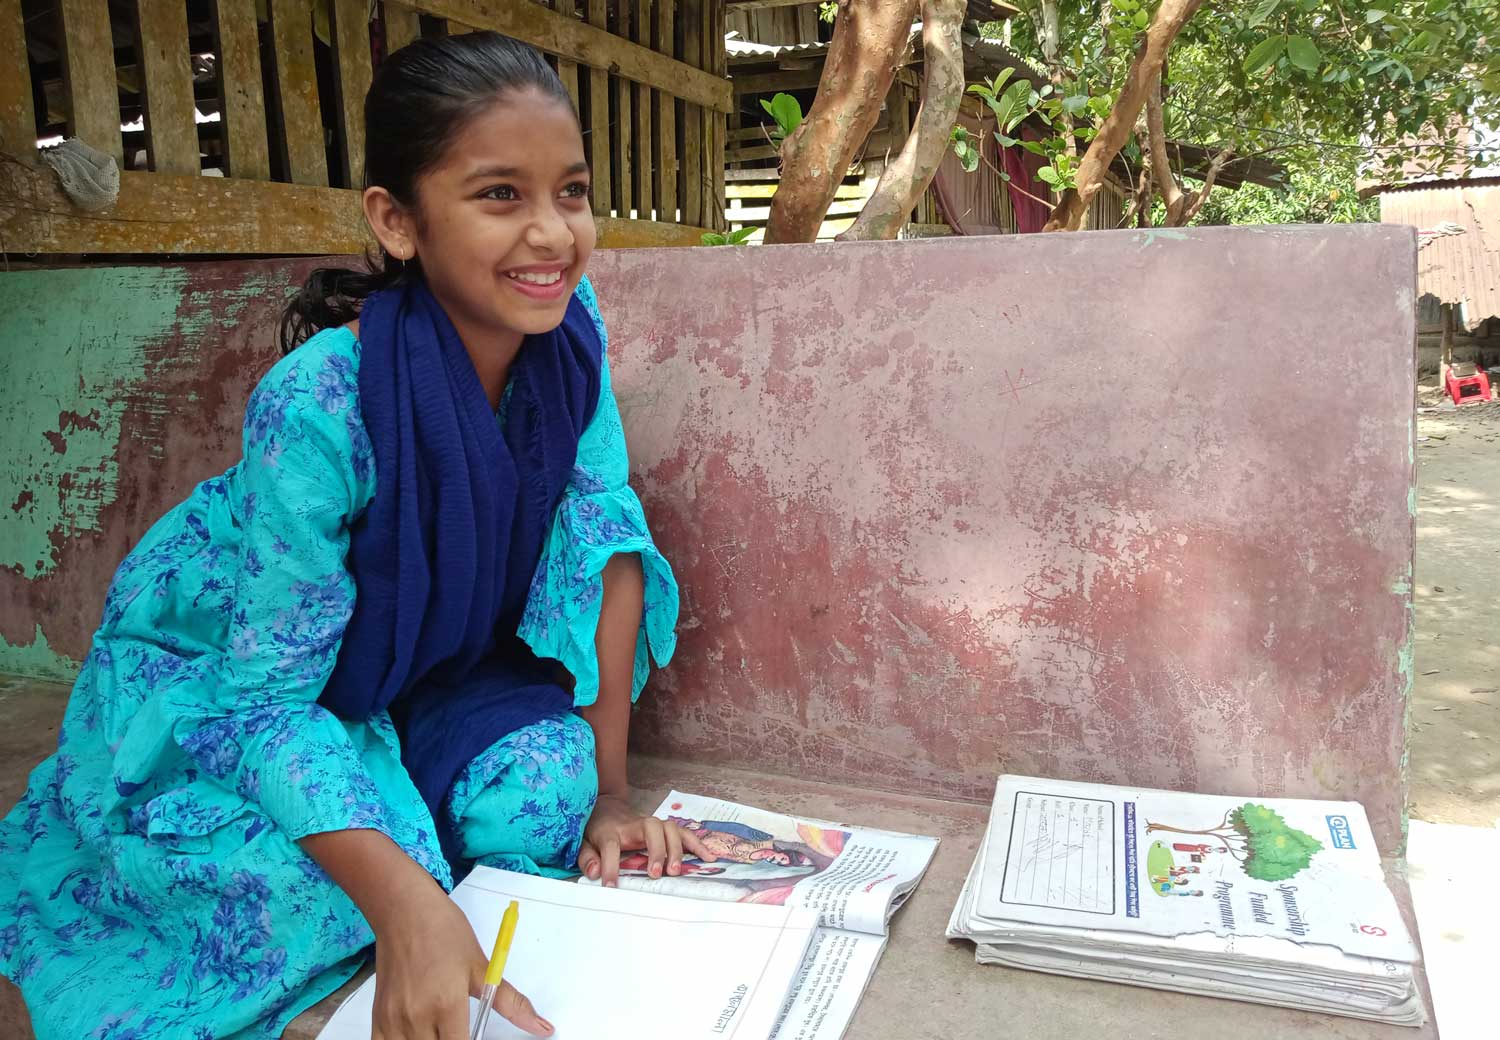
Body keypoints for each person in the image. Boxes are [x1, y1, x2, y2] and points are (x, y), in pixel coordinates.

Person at [0, 32, 711, 1040]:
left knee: (546, 805)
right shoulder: (317, 402)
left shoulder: (570, 333)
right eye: (501, 195)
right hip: (228, 673)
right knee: (321, 896)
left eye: (572, 191)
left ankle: (405, 807)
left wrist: (612, 795)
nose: (552, 234)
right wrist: (403, 897)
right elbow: (260, 702)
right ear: (398, 219)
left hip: (432, 664)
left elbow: (605, 544)